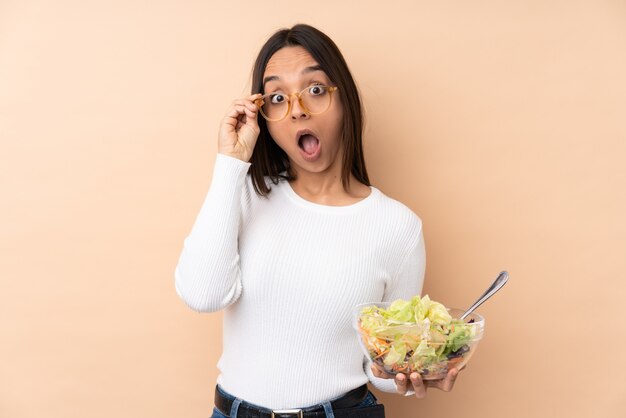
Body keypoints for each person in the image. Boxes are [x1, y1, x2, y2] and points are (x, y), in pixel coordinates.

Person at [174, 23, 460, 418]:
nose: (298, 110)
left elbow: (381, 366)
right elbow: (203, 294)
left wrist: (410, 373)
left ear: (345, 101)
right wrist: (230, 163)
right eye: (277, 97)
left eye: (315, 89)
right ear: (265, 119)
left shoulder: (398, 227)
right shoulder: (244, 193)